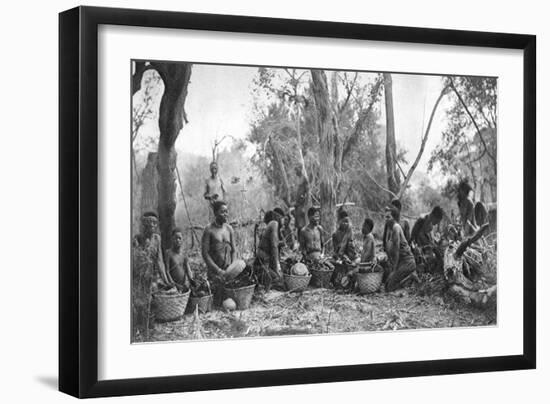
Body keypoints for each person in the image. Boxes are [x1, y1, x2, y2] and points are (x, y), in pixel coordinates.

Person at [201, 200, 245, 306]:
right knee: (217, 303)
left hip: (228, 272)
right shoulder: (209, 230)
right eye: (222, 212)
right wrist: (218, 270)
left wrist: (232, 267)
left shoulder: (229, 229)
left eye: (227, 211)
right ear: (215, 213)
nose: (226, 214)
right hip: (215, 273)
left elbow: (234, 250)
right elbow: (205, 254)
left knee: (233, 301)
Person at [132, 211, 172, 286]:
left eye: (154, 222)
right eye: (149, 222)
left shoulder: (157, 238)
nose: (152, 225)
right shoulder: (138, 238)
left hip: (153, 276)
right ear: (144, 224)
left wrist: (166, 281)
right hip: (140, 276)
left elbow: (160, 261)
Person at [384, 206, 417, 292]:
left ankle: (410, 278)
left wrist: (394, 270)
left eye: (388, 217)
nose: (386, 219)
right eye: (385, 217)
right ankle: (406, 278)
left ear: (394, 218)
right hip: (402, 263)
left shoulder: (396, 228)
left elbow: (396, 250)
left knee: (389, 287)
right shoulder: (391, 229)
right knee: (387, 284)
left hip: (407, 262)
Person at [254, 208, 285, 291]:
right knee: (279, 280)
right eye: (283, 218)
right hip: (262, 262)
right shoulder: (274, 223)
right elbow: (274, 246)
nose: (284, 221)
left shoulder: (273, 225)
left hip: (265, 261)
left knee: (279, 279)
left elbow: (276, 245)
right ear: (279, 217)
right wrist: (277, 267)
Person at [293, 166, 310, 236]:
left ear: (300, 169)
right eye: (295, 170)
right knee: (297, 224)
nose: (295, 172)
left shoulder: (304, 178)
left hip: (302, 205)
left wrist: (305, 205)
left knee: (302, 223)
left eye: (296, 170)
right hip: (297, 204)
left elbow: (307, 192)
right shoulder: (297, 179)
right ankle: (299, 241)